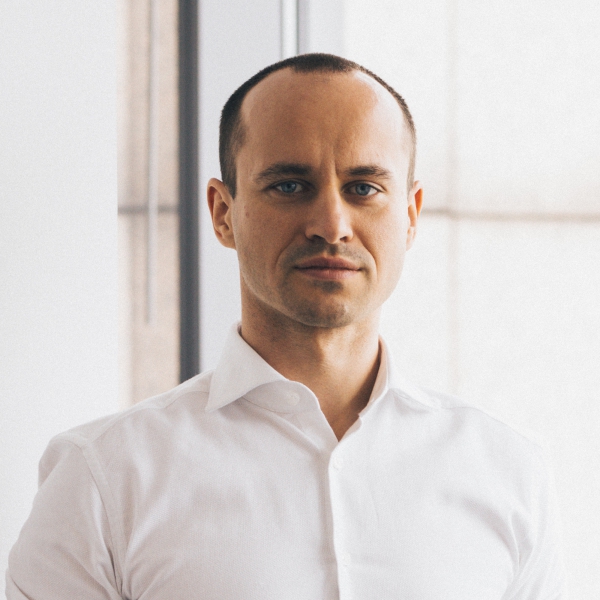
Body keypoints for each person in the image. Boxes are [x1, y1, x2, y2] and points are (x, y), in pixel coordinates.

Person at [6, 53, 566, 599]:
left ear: (411, 215)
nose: (331, 225)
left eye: (364, 188)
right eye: (291, 186)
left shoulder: (510, 472)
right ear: (223, 213)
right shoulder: (102, 478)